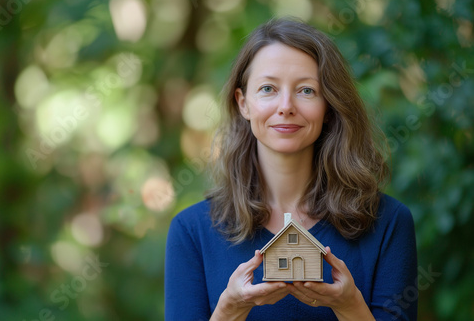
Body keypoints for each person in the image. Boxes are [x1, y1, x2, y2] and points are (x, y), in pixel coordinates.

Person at [165, 18, 417, 321]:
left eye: (306, 91)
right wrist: (229, 310)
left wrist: (350, 306)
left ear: (329, 106)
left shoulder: (389, 223)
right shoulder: (191, 231)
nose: (286, 106)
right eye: (268, 88)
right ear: (243, 103)